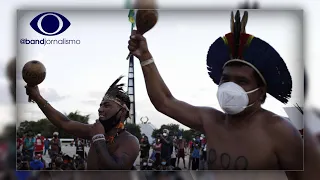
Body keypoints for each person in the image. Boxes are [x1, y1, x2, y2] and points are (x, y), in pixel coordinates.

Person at [127, 10, 303, 173]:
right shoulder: (210, 120)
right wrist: (144, 56)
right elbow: (164, 101)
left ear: (261, 92)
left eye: (242, 81)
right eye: (225, 79)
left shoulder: (281, 132)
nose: (231, 87)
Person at [25, 76, 139, 170]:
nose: (100, 109)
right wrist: (37, 97)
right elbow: (64, 122)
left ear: (123, 111)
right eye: (100, 105)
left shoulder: (130, 141)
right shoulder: (93, 130)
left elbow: (116, 170)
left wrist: (98, 138)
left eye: (107, 105)